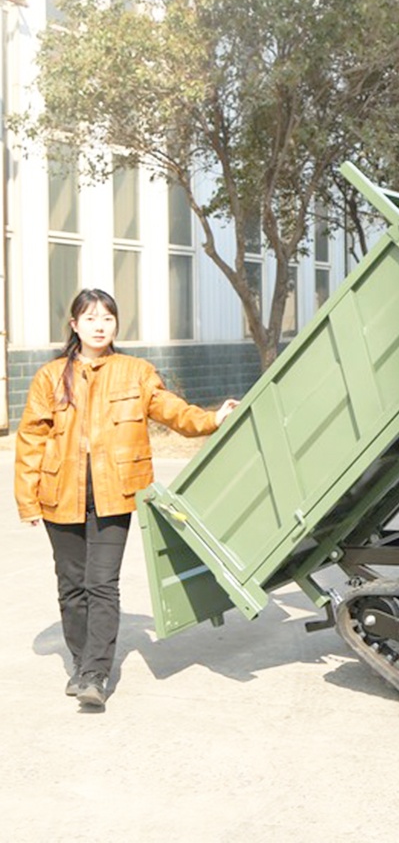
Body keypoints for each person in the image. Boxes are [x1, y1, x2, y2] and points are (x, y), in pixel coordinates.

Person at [14, 288, 239, 710]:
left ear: (116, 325)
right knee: (71, 586)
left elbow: (172, 410)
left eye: (107, 318)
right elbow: (31, 439)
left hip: (114, 496)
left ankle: (95, 675)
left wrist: (212, 419)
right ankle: (81, 663)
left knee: (102, 584)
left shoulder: (136, 372)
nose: (99, 326)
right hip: (59, 495)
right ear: (75, 325)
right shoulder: (50, 376)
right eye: (90, 318)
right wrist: (27, 500)